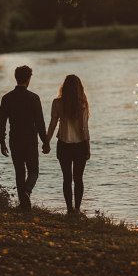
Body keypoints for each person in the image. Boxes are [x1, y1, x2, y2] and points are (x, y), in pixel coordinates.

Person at [0, 65, 50, 210]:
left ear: (16, 78)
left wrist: (2, 141)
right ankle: (27, 191)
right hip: (30, 141)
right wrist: (46, 142)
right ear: (28, 78)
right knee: (33, 171)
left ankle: (23, 204)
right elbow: (39, 122)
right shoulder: (33, 98)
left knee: (20, 171)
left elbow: (1, 121)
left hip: (14, 140)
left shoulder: (7, 98)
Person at [46, 74, 91, 214]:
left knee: (67, 179)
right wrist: (88, 147)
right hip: (80, 145)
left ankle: (69, 210)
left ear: (64, 87)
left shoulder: (57, 103)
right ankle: (77, 210)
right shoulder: (83, 103)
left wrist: (46, 142)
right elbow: (84, 128)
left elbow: (53, 124)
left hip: (63, 145)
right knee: (78, 179)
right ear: (79, 88)